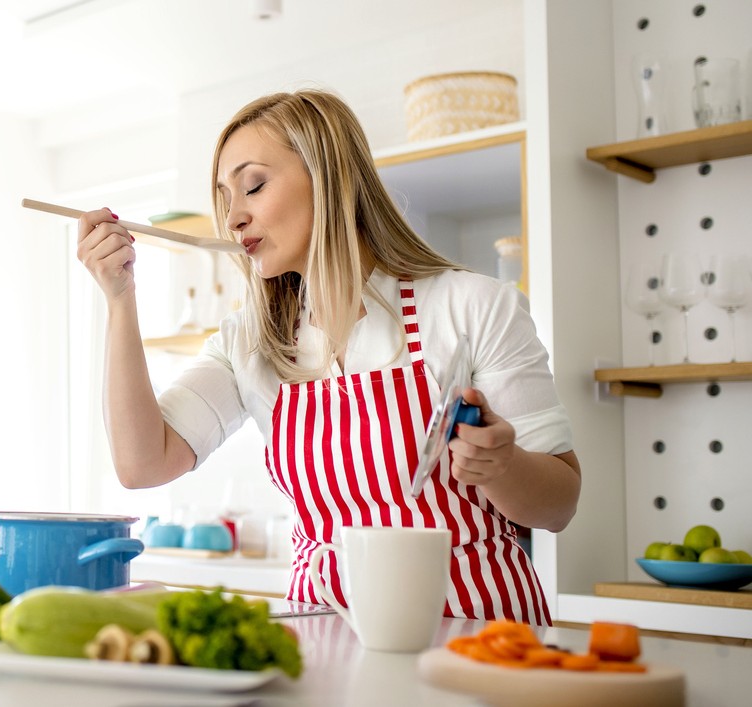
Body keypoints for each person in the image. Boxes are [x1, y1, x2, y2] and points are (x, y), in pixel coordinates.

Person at [75, 89, 580, 626]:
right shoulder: (251, 342)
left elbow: (559, 506)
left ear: (329, 176)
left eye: (253, 186)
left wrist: (502, 467)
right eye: (227, 198)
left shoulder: (473, 305)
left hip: (477, 636)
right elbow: (141, 463)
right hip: (327, 639)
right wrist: (120, 300)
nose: (234, 218)